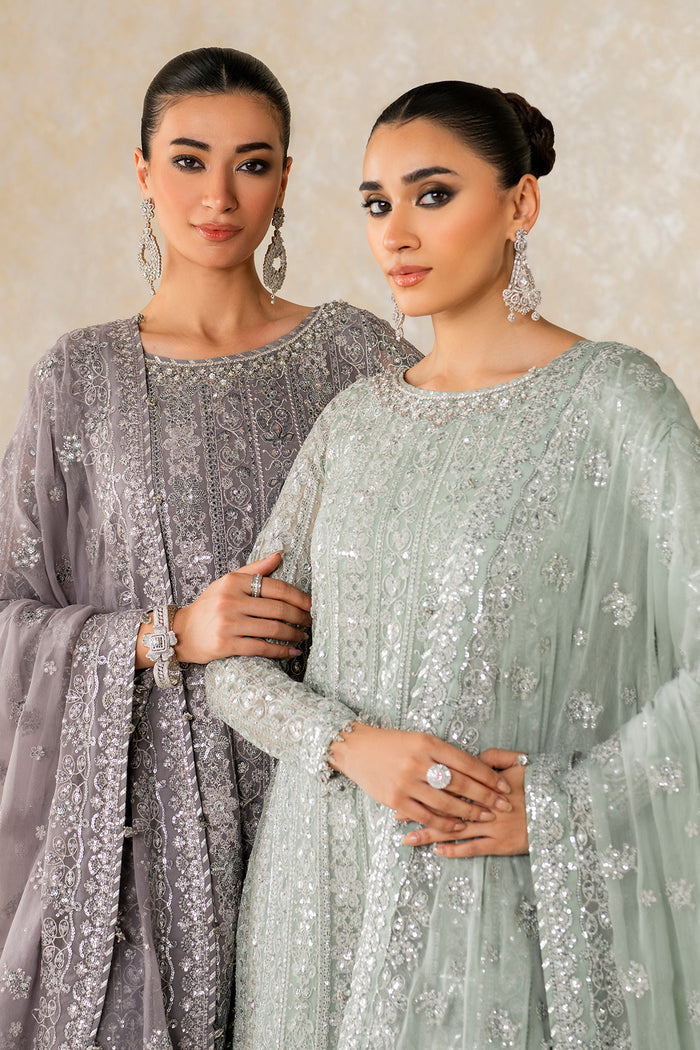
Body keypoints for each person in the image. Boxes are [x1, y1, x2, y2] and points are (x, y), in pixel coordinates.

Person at [206, 80, 700, 1049]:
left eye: (432, 195)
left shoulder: (616, 402)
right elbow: (236, 670)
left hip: (493, 917)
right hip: (318, 908)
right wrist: (352, 746)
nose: (395, 233)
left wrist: (557, 810)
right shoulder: (354, 421)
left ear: (521, 203)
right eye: (375, 203)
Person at [0, 47, 418, 1048]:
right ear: (143, 171)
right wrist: (168, 633)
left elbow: (444, 536)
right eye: (189, 160)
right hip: (146, 837)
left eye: (252, 163)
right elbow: (9, 611)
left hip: (329, 799)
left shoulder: (355, 354)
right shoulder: (82, 379)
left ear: (285, 177)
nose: (219, 196)